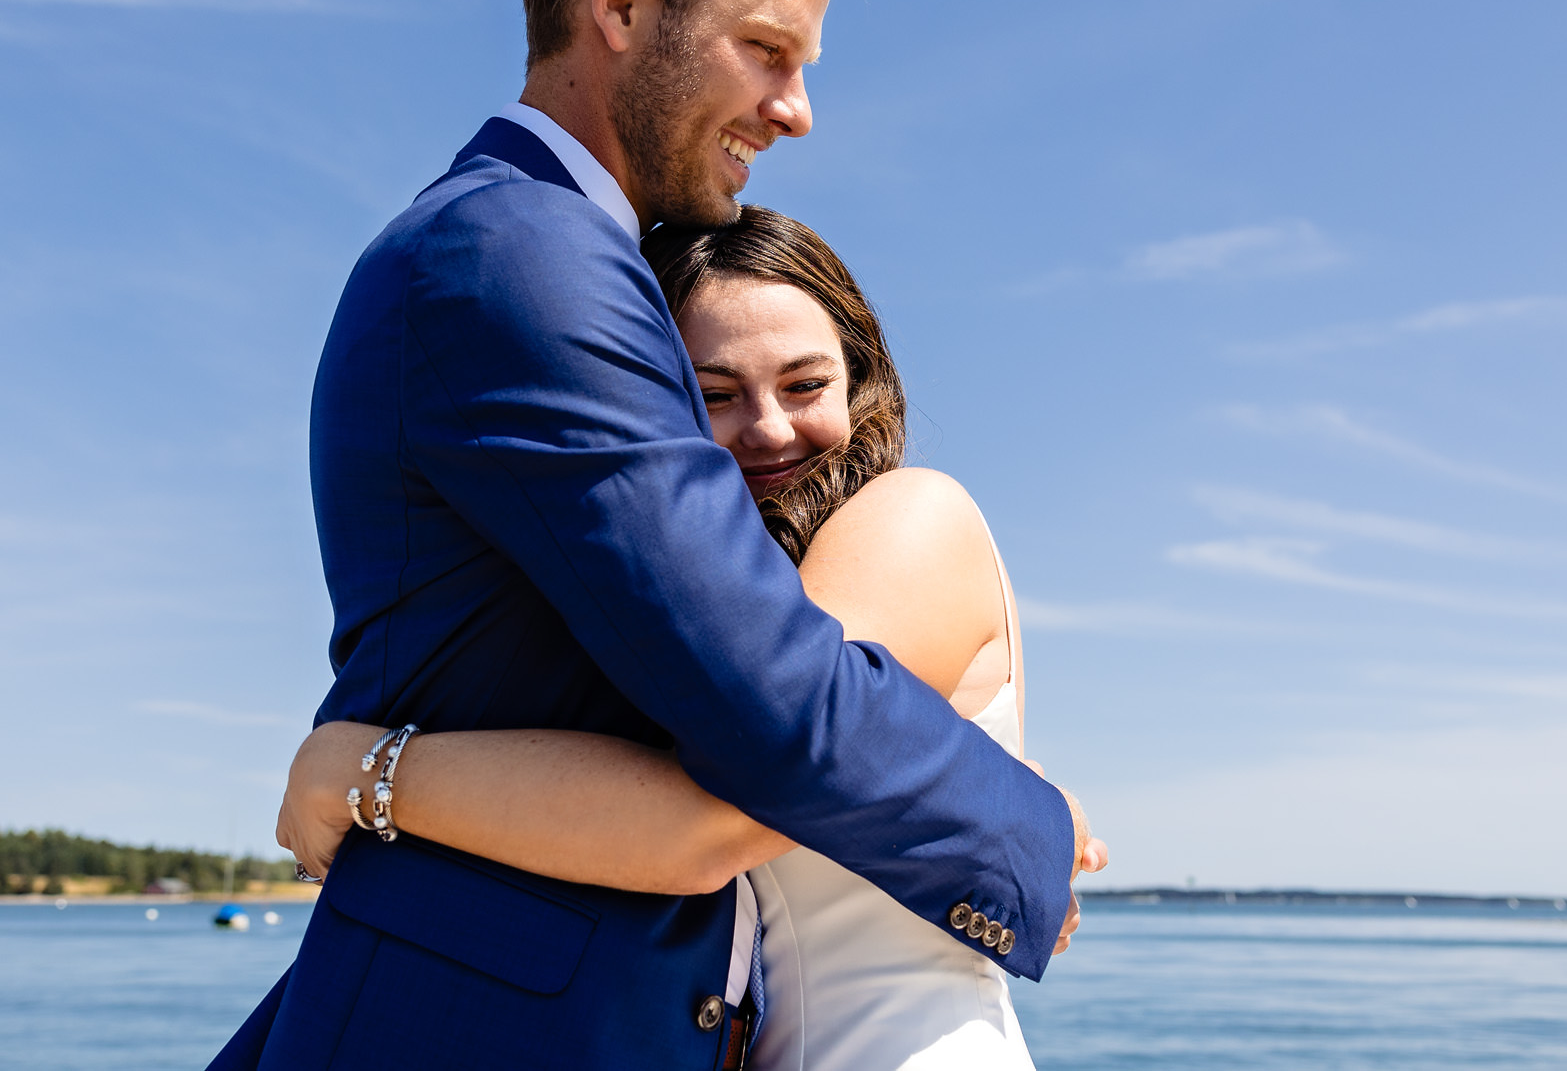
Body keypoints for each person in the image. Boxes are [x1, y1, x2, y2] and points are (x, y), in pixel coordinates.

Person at [210, 0, 1100, 1071]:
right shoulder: (523, 255)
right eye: (764, 47)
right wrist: (1025, 825)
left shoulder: (544, 258)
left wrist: (364, 768)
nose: (795, 111)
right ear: (622, 4)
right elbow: (769, 714)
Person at [279, 205, 1093, 1069]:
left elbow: (709, 822)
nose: (772, 428)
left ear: (863, 381)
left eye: (807, 385)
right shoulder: (697, 622)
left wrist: (366, 773)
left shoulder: (909, 520)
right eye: (715, 395)